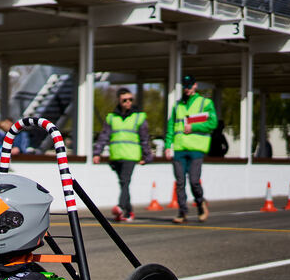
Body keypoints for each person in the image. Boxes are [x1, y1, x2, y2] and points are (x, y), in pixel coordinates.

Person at [92, 88, 154, 223]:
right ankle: (129, 211)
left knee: (125, 181)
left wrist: (147, 156)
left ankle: (120, 207)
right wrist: (97, 153)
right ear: (119, 101)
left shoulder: (139, 117)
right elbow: (104, 136)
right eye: (125, 100)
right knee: (123, 183)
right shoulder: (111, 117)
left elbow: (144, 138)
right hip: (116, 155)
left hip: (131, 155)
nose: (128, 102)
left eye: (130, 99)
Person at [165, 75, 217, 223]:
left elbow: (213, 123)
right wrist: (168, 146)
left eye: (189, 86)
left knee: (194, 180)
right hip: (180, 148)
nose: (187, 89)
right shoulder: (177, 105)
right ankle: (182, 212)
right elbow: (170, 127)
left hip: (196, 148)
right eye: (185, 86)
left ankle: (200, 203)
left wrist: (193, 127)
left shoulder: (205, 103)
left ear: (195, 85)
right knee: (180, 182)